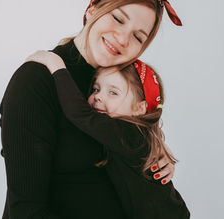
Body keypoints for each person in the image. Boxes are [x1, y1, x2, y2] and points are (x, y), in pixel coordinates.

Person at [0, 0, 183, 219]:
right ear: (92, 10)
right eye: (118, 19)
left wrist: (155, 151)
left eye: (138, 37)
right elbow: (27, 211)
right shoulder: (37, 80)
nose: (122, 39)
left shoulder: (121, 89)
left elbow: (130, 139)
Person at [26, 51, 191, 218]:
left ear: (139, 109)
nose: (98, 97)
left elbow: (81, 115)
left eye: (113, 92)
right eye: (96, 88)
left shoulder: (130, 134)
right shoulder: (131, 137)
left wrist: (55, 64)